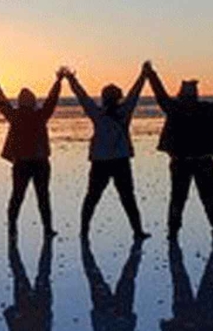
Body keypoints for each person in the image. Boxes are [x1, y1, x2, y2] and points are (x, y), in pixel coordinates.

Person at [146, 61, 213, 241]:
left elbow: (160, 95)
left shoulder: (175, 108)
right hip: (199, 161)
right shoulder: (204, 109)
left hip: (184, 161)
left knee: (180, 197)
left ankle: (175, 231)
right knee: (206, 196)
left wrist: (151, 75)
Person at [64, 64, 150, 240]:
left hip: (103, 161)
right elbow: (134, 94)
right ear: (118, 98)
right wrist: (143, 75)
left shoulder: (100, 113)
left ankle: (85, 231)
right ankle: (137, 231)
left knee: (94, 197)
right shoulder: (121, 112)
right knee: (124, 198)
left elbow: (83, 97)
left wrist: (72, 80)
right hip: (117, 161)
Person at [0, 68, 64, 234]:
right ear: (33, 101)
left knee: (17, 196)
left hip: (22, 162)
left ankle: (13, 227)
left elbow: (1, 103)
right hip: (39, 161)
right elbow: (52, 100)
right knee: (43, 197)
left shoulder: (15, 115)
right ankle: (47, 228)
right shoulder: (40, 115)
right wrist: (58, 82)